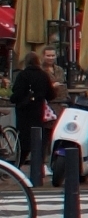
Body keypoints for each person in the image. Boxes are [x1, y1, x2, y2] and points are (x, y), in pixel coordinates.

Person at [11, 45, 59, 179]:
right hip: (39, 112)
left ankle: (17, 168)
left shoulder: (22, 75)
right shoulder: (43, 75)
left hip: (24, 113)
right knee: (39, 141)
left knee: (24, 142)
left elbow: (16, 95)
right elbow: (50, 95)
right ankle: (38, 171)